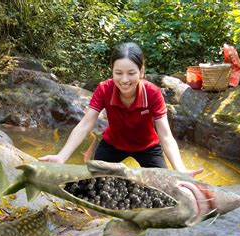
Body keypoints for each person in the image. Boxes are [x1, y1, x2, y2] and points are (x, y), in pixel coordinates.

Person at [39, 42, 202, 176]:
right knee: (94, 181)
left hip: (147, 147)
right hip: (113, 145)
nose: (124, 80)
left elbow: (165, 135)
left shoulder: (152, 93)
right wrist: (62, 156)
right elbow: (85, 124)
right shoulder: (104, 89)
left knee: (163, 185)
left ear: (141, 71)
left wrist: (180, 170)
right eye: (118, 73)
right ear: (112, 71)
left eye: (131, 73)